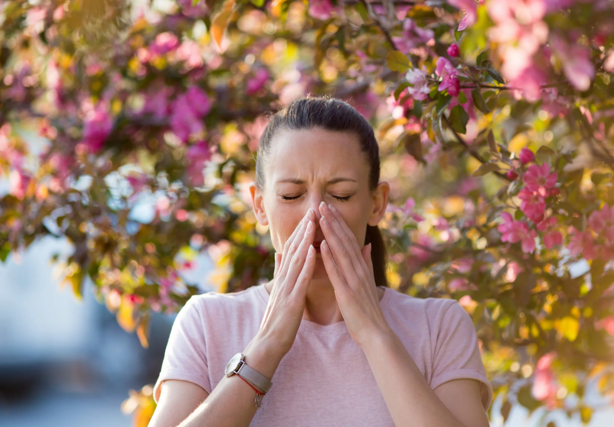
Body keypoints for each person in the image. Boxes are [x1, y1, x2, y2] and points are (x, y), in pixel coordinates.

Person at [148, 96, 493, 427]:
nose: (314, 213)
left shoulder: (439, 326)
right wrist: (266, 347)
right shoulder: (206, 324)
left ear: (376, 203)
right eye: (291, 195)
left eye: (340, 195)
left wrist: (374, 334)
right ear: (259, 205)